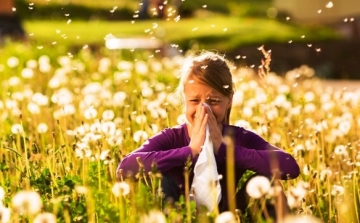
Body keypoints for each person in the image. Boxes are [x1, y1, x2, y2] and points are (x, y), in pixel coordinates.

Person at [117, 51, 300, 220]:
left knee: (269, 183)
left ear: (229, 101)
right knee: (160, 180)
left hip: (228, 217)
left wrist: (226, 150)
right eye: (195, 101)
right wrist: (190, 151)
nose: (204, 109)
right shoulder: (172, 138)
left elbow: (290, 167)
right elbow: (125, 168)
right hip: (177, 215)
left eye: (214, 101)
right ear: (184, 99)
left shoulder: (239, 137)